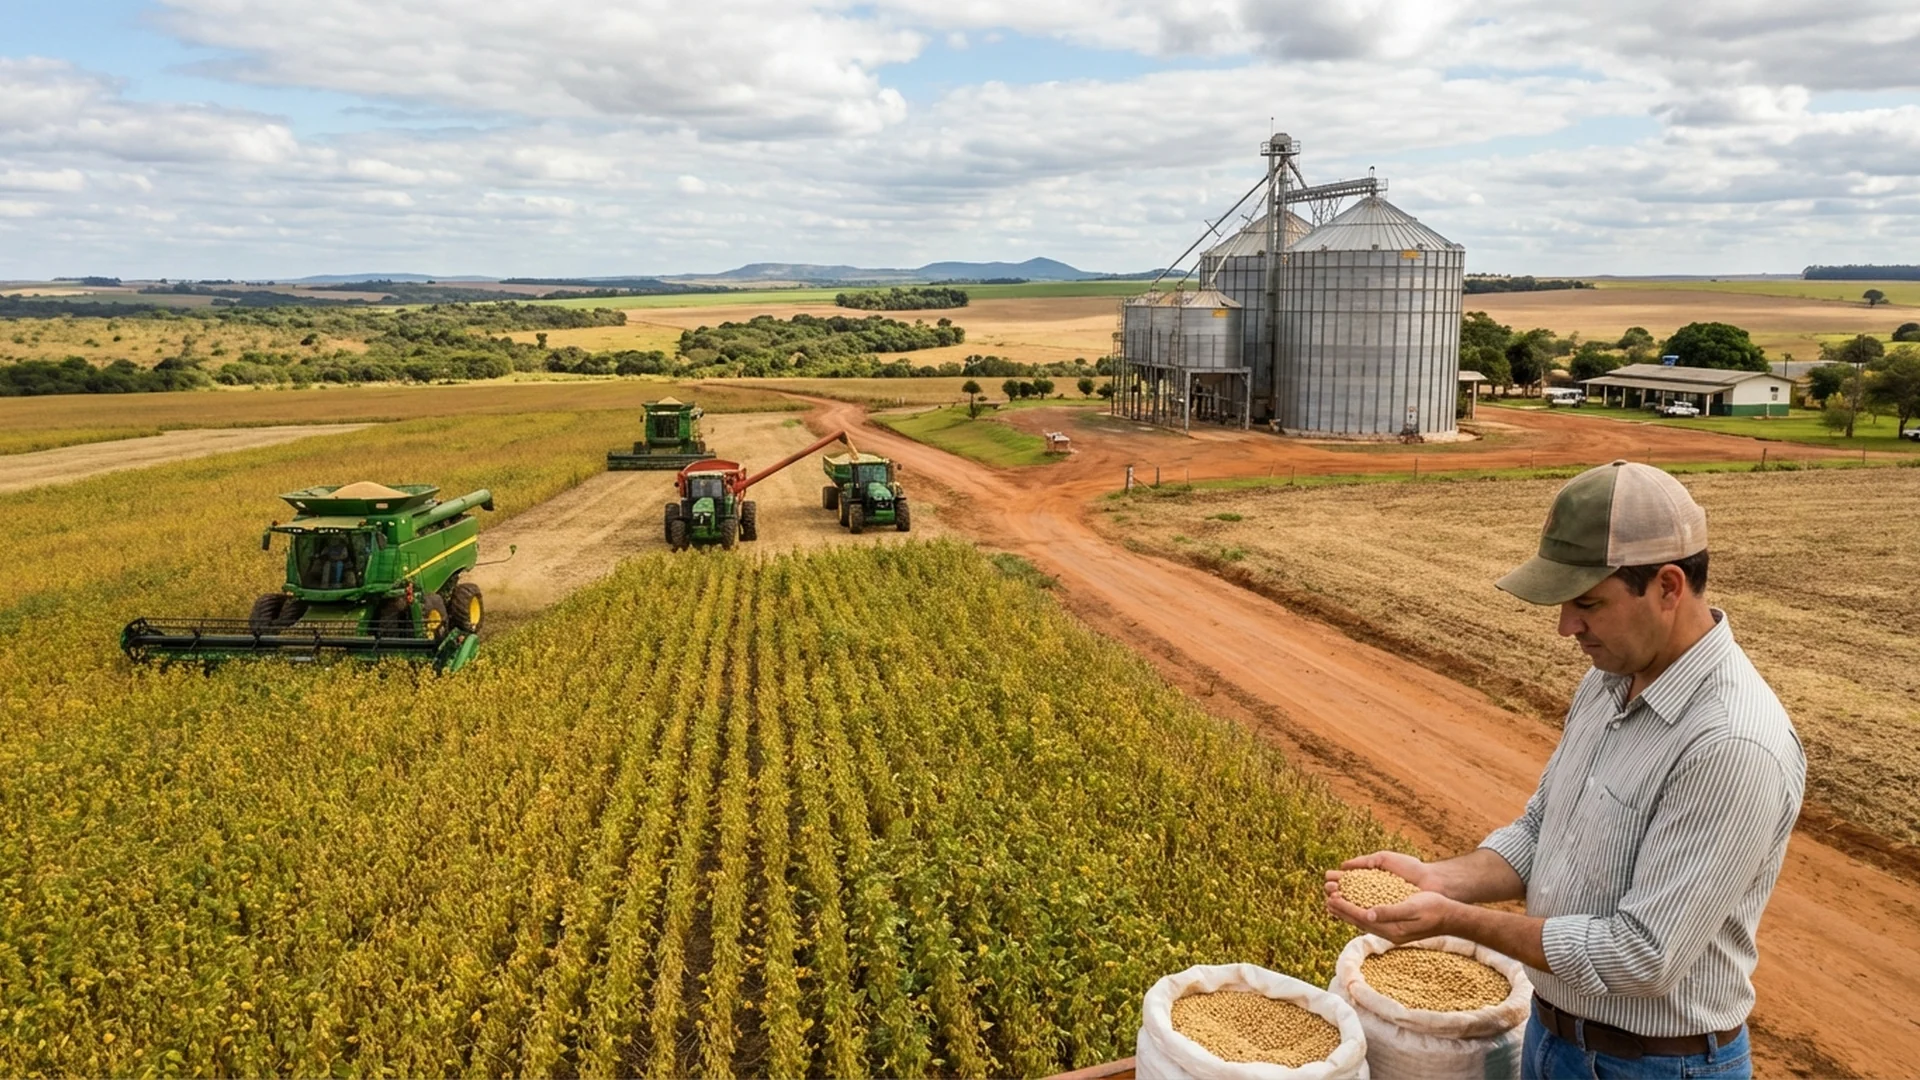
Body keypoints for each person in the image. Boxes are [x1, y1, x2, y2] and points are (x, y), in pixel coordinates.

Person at [1325, 460, 1804, 1080]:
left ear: (1667, 587)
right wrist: (1439, 880)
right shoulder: (1608, 682)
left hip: (1655, 1067)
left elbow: (1642, 955)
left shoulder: (1731, 744)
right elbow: (1541, 831)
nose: (1565, 627)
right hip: (1553, 1039)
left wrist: (1454, 919)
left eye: (1588, 604)